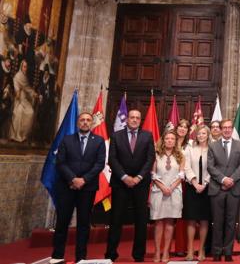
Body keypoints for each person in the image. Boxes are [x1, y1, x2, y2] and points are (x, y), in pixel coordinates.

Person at [50, 112, 105, 264]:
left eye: (88, 120)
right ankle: (57, 256)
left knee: (83, 224)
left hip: (87, 188)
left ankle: (81, 257)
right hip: (67, 187)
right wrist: (73, 179)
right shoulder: (67, 140)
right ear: (77, 123)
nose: (85, 122)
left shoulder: (99, 141)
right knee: (62, 222)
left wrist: (84, 180)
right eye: (82, 120)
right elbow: (60, 162)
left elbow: (99, 164)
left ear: (91, 123)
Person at [105, 109, 155, 262]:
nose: (134, 120)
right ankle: (111, 253)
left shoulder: (147, 136)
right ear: (127, 119)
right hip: (120, 183)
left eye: (137, 118)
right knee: (116, 219)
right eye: (132, 117)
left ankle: (138, 254)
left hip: (141, 184)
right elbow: (112, 159)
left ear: (140, 120)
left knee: (141, 220)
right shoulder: (116, 135)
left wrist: (139, 177)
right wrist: (125, 177)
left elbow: (150, 158)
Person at [207, 118, 240, 261]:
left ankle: (228, 251)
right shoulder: (212, 146)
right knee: (217, 222)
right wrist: (223, 179)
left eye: (229, 127)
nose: (227, 130)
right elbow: (210, 166)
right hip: (217, 188)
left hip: (234, 188)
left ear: (232, 129)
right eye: (224, 127)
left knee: (231, 222)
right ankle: (217, 252)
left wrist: (231, 180)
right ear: (220, 129)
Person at [150, 131, 185, 262]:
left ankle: (166, 252)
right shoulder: (156, 155)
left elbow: (181, 175)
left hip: (174, 192)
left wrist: (171, 187)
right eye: (167, 138)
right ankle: (157, 252)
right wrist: (162, 186)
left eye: (172, 139)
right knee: (158, 222)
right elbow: (152, 174)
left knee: (170, 222)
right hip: (158, 191)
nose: (170, 140)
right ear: (163, 140)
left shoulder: (180, 155)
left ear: (175, 141)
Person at [183, 125, 212, 261]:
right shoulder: (189, 148)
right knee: (191, 220)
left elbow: (213, 168)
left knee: (205, 220)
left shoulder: (212, 149)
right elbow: (186, 166)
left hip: (207, 188)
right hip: (191, 187)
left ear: (208, 134)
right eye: (199, 133)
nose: (201, 135)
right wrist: (195, 183)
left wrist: (204, 184)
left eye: (203, 133)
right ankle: (189, 250)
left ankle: (201, 250)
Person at [174, 119, 192, 257]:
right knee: (166, 216)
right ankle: (163, 248)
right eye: (180, 126)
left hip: (184, 183)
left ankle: (181, 247)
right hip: (167, 182)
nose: (182, 129)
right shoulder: (169, 140)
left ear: (188, 130)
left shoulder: (190, 144)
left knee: (182, 216)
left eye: (185, 127)